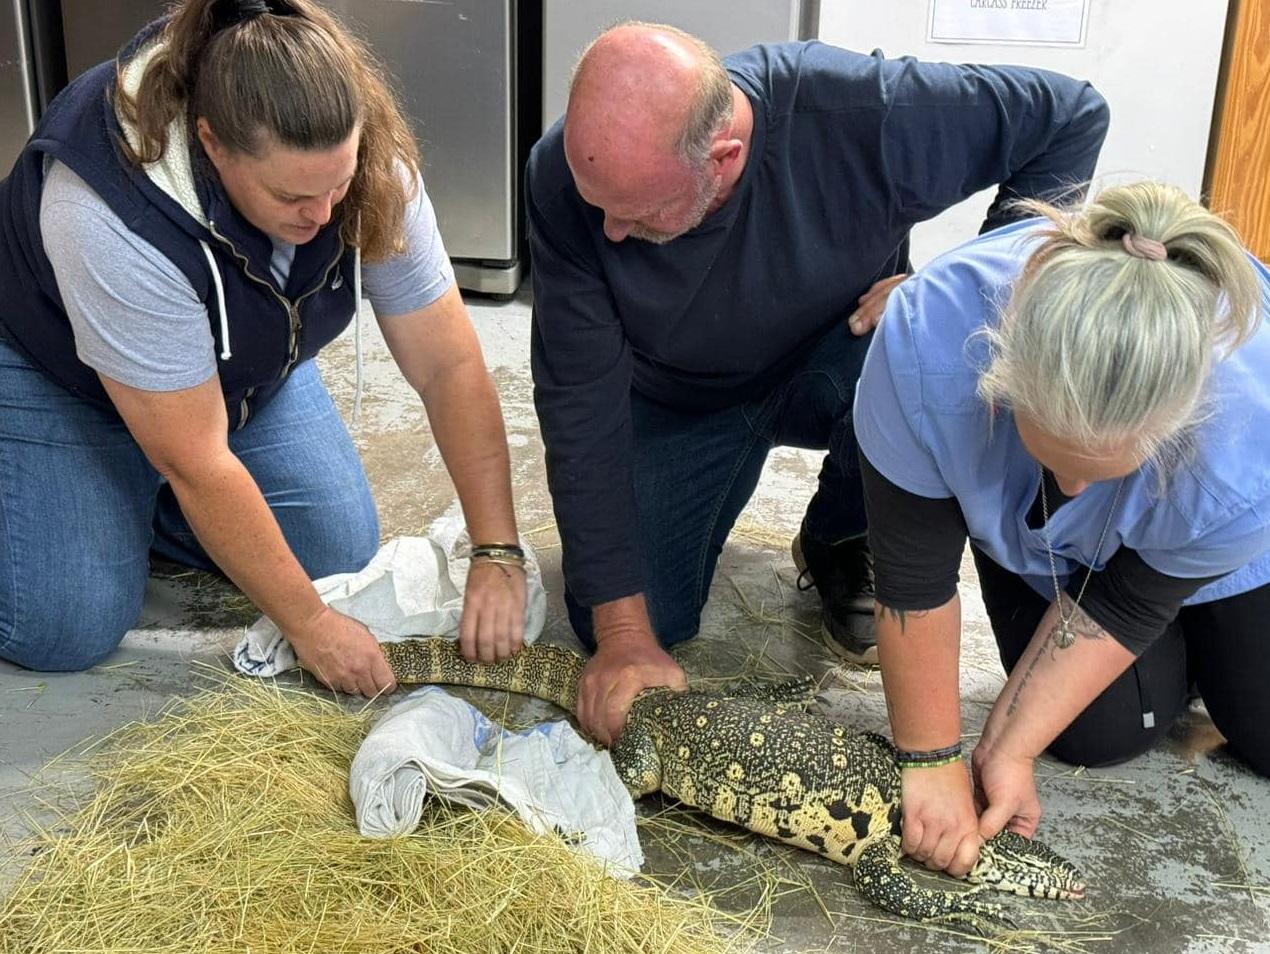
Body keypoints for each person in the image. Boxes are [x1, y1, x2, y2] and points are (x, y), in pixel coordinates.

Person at [525, 21, 1110, 743]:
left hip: (840, 361)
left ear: (724, 157)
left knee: (936, 359)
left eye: (636, 214)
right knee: (627, 620)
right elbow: (578, 400)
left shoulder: (866, 114)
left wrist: (972, 288)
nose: (610, 233)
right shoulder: (564, 174)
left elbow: (1070, 115)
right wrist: (620, 629)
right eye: (601, 207)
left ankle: (841, 535)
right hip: (680, 398)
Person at [0, 0, 527, 695]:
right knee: (68, 624)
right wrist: (310, 627)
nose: (324, 214)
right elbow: (196, 461)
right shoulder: (107, 211)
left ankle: (125, 500)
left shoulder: (364, 163)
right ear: (212, 145)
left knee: (335, 554)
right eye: (292, 197)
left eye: (337, 187)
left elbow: (448, 363)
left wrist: (497, 549)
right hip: (59, 375)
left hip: (232, 366)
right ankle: (81, 483)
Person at [854, 181, 1269, 878]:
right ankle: (1167, 668)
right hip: (1043, 535)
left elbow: (1135, 597)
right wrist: (933, 759)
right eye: (1054, 457)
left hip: (1219, 534)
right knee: (1098, 733)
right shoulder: (929, 340)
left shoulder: (1247, 441)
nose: (1072, 490)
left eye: (1102, 469)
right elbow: (912, 577)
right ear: (1004, 366)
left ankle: (1208, 647)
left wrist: (1011, 743)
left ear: (1180, 422)